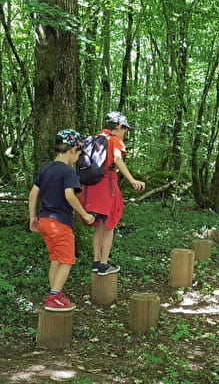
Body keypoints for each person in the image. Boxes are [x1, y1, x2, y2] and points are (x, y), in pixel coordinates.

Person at [28, 129, 96, 311]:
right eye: (79, 153)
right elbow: (69, 196)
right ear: (73, 149)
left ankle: (56, 292)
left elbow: (33, 193)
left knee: (56, 259)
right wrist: (85, 214)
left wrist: (33, 217)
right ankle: (53, 298)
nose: (79, 157)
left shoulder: (45, 169)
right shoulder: (68, 171)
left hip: (44, 221)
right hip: (59, 224)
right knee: (67, 260)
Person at [79, 111, 145, 275]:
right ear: (117, 126)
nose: (125, 132)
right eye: (124, 128)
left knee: (100, 224)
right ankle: (103, 264)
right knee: (109, 224)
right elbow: (117, 159)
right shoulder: (114, 140)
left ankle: (96, 261)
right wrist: (132, 179)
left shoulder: (94, 139)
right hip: (107, 185)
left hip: (90, 186)